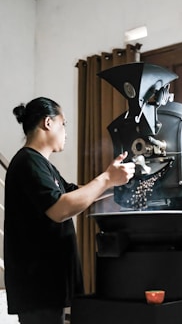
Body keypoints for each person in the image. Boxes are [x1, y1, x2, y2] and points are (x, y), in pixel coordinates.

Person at [4, 97, 135, 324]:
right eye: (63, 123)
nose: (65, 131)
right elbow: (59, 208)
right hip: (37, 286)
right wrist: (105, 179)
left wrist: (115, 184)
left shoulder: (43, 165)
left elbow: (75, 194)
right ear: (48, 123)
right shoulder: (27, 162)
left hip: (48, 285)